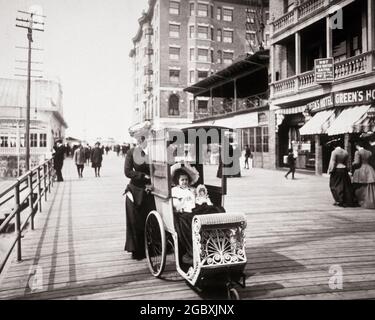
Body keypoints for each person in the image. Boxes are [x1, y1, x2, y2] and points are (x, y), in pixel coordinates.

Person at [124, 136, 155, 260]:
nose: (142, 142)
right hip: (135, 190)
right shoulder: (131, 152)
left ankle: (151, 248)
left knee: (149, 219)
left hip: (150, 190)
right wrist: (143, 176)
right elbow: (127, 172)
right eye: (141, 140)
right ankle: (137, 250)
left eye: (145, 139)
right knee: (135, 220)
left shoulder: (154, 152)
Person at [327, 138, 355, 207]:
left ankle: (339, 200)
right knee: (345, 185)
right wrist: (348, 170)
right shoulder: (345, 152)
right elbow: (347, 162)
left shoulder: (334, 152)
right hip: (344, 170)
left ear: (334, 146)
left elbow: (332, 162)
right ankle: (346, 200)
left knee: (334, 185)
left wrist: (330, 170)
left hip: (336, 169)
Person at [351, 140, 375, 209]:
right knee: (367, 186)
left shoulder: (357, 152)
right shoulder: (369, 152)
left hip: (360, 170)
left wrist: (352, 164)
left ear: (357, 145)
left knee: (359, 187)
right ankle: (369, 201)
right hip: (369, 169)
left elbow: (357, 163)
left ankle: (361, 201)